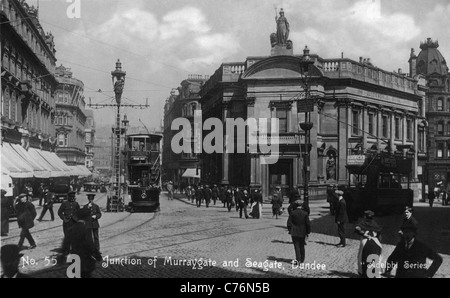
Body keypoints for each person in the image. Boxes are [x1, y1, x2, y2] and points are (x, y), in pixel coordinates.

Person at [57, 208, 97, 278]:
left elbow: (65, 245)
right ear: (87, 218)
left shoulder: (71, 229)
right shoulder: (86, 229)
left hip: (74, 260)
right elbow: (90, 244)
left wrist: (63, 255)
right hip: (85, 260)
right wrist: (97, 255)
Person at [354, 210, 382, 277]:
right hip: (375, 242)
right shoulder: (374, 223)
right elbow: (379, 232)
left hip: (365, 241)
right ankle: (376, 272)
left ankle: (363, 272)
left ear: (365, 216)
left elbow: (357, 229)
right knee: (379, 254)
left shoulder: (363, 223)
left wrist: (364, 234)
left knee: (361, 256)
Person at [83, 194, 102, 261]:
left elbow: (99, 214)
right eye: (89, 199)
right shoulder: (85, 206)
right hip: (88, 224)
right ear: (88, 199)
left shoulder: (96, 206)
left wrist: (96, 216)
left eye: (92, 199)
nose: (90, 200)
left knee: (96, 237)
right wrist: (88, 208)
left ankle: (97, 250)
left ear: (93, 199)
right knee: (89, 238)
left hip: (94, 224)